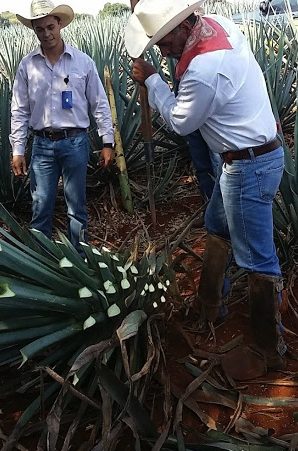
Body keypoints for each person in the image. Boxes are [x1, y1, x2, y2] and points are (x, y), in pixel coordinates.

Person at [125, 0, 287, 377]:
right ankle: (211, 304)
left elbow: (182, 122)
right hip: (246, 159)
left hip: (248, 165)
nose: (162, 51)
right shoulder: (218, 24)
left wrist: (151, 81)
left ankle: (268, 349)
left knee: (257, 259)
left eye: (164, 42)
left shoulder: (202, 70)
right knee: (216, 223)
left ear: (183, 27)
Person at [10, 0, 114, 251]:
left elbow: (99, 103)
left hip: (75, 142)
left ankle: (79, 259)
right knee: (40, 206)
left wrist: (107, 142)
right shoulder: (27, 66)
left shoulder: (83, 62)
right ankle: (42, 263)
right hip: (42, 145)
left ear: (59, 24)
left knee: (76, 206)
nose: (46, 34)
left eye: (50, 27)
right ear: (34, 30)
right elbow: (19, 110)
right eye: (40, 29)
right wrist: (17, 150)